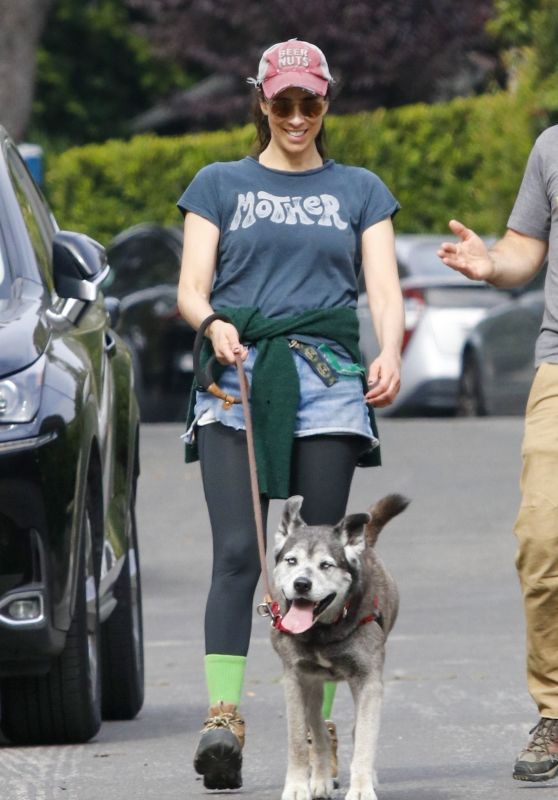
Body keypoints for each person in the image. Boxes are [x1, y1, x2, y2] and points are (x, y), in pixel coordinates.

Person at [176, 38, 404, 791]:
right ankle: (224, 717)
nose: (298, 116)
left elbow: (382, 288)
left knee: (329, 563)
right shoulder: (218, 183)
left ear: (326, 103)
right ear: (262, 102)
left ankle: (317, 732)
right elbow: (191, 287)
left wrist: (391, 350)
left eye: (311, 102)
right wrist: (213, 325)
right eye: (284, 103)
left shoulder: (360, 189)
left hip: (331, 382)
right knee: (243, 554)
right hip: (238, 380)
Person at [438, 124, 558, 783]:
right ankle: (556, 711)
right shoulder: (551, 147)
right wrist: (492, 265)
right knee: (541, 542)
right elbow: (523, 249)